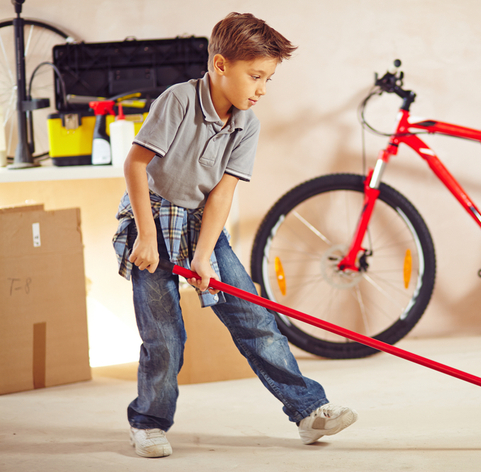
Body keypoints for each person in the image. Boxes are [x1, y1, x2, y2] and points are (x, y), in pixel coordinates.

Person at [112, 12, 357, 458]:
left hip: (203, 222)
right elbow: (135, 164)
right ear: (221, 66)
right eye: (256, 76)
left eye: (268, 79)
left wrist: (205, 255)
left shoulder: (248, 123)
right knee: (164, 335)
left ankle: (307, 410)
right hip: (153, 218)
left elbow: (222, 195)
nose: (262, 89)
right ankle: (148, 422)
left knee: (255, 319)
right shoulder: (179, 101)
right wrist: (146, 236)